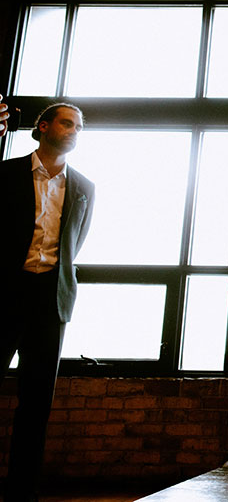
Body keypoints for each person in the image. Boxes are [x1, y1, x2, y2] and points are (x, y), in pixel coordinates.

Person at [1, 103, 95, 502]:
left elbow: (75, 244)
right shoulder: (5, 175)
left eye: (78, 126)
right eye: (67, 122)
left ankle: (22, 494)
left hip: (50, 302)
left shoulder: (84, 187)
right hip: (4, 294)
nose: (74, 130)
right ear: (43, 127)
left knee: (37, 404)